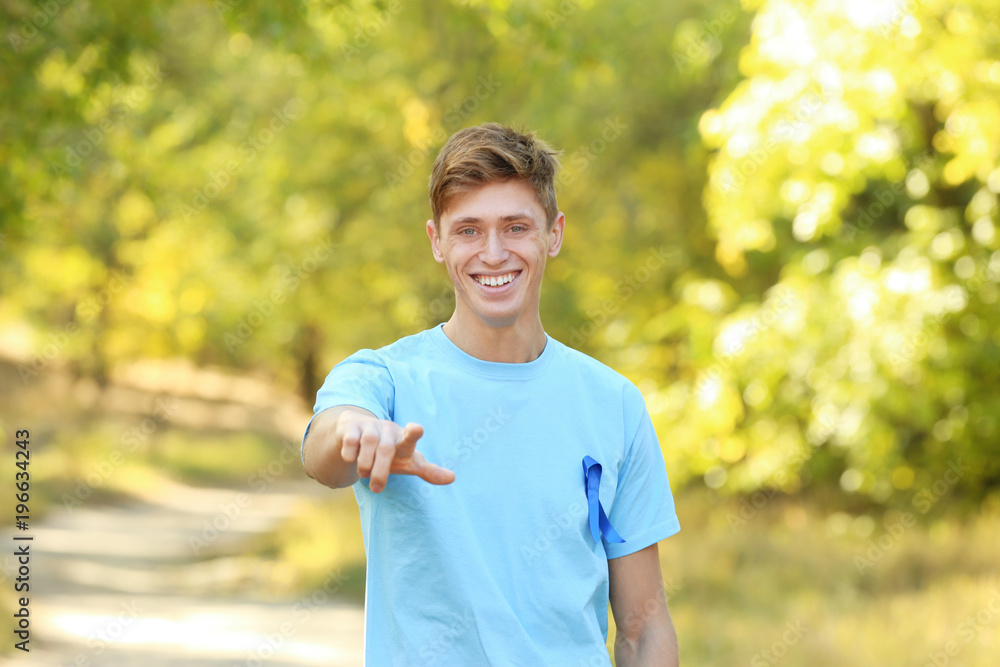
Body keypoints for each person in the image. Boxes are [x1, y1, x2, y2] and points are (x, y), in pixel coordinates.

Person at [301, 123, 681, 666]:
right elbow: (324, 451)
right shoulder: (383, 380)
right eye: (469, 231)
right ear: (437, 241)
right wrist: (355, 433)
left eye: (516, 227)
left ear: (554, 233)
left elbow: (643, 630)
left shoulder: (614, 404)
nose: (495, 253)